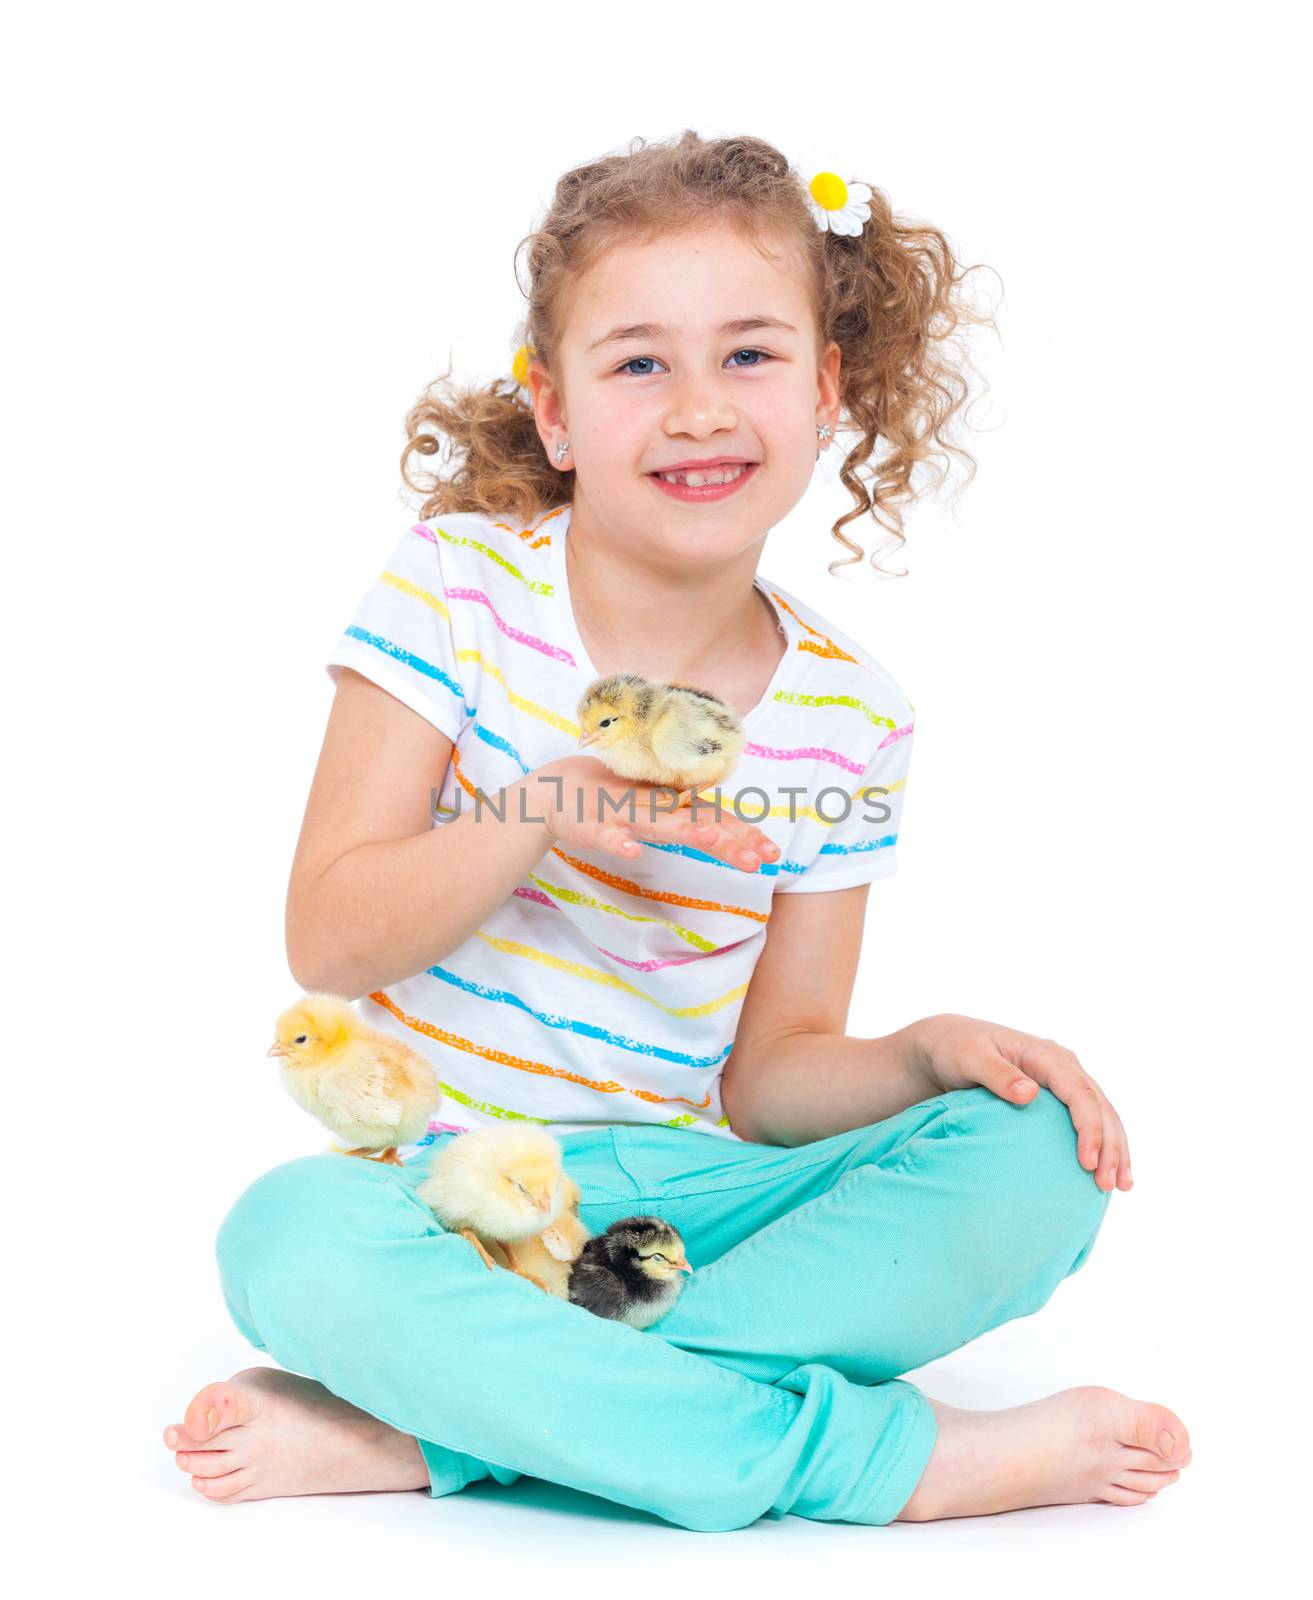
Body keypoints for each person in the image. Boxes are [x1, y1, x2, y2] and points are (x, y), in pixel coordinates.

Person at [162, 130, 1191, 1528]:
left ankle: (446, 1434)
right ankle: (880, 1465)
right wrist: (536, 810)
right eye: (639, 362)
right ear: (557, 412)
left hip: (675, 1208)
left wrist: (922, 1052)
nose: (699, 407)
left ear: (826, 391)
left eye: (750, 356)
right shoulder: (457, 586)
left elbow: (770, 1080)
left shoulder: (853, 714)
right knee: (284, 1242)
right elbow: (329, 938)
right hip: (439, 1197)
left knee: (1034, 1159)